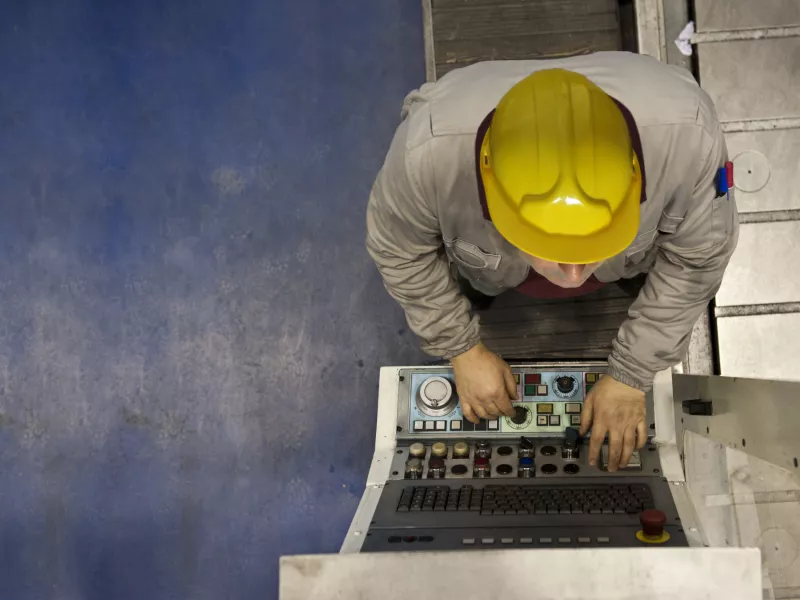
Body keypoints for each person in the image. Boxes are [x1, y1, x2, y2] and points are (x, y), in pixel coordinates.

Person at [366, 52, 738, 472]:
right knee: (472, 288)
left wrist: (631, 374)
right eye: (549, 249)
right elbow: (398, 249)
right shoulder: (424, 156)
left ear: (637, 175)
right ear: (491, 195)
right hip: (485, 262)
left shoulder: (690, 140)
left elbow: (698, 261)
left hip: (636, 251)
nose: (575, 277)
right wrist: (461, 348)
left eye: (595, 245)